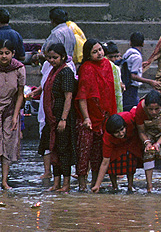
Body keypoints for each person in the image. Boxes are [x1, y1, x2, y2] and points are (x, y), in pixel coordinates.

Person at [75, 39, 117, 191]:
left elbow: (111, 91)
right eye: (95, 51)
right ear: (88, 54)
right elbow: (82, 96)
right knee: (84, 151)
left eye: (100, 49)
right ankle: (81, 184)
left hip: (104, 116)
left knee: (99, 153)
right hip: (88, 118)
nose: (99, 53)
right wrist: (86, 117)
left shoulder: (107, 65)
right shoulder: (86, 68)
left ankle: (95, 184)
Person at [39, 44, 77, 192]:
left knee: (64, 150)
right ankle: (56, 183)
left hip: (62, 118)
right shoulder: (52, 71)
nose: (52, 60)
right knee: (53, 148)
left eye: (55, 57)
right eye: (49, 57)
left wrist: (63, 119)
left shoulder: (66, 72)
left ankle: (66, 184)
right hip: (52, 118)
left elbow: (68, 97)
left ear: (62, 57)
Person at [135, 90, 161, 192]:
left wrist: (158, 143)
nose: (153, 112)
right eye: (150, 109)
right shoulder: (140, 109)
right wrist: (147, 143)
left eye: (156, 109)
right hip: (148, 130)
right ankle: (149, 186)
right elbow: (141, 131)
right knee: (148, 153)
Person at [91, 112, 143, 193]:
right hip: (115, 146)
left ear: (125, 126)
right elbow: (105, 162)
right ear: (112, 133)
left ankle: (130, 185)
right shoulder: (107, 138)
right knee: (112, 163)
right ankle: (114, 186)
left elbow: (138, 111)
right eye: (117, 132)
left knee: (131, 160)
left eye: (122, 129)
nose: (121, 133)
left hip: (130, 140)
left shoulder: (129, 118)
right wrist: (97, 185)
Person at [0, 39, 25, 189]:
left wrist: (16, 116)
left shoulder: (18, 68)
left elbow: (20, 94)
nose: (3, 56)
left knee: (8, 145)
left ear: (13, 54)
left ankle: (4, 180)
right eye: (1, 53)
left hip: (10, 110)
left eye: (7, 53)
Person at [121, 32, 161, 111]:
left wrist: (140, 66)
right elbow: (133, 76)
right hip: (131, 88)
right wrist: (150, 81)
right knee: (131, 109)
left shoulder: (127, 53)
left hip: (126, 85)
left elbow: (129, 67)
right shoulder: (137, 57)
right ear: (143, 43)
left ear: (130, 43)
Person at [103, 41, 124, 113]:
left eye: (116, 56)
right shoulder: (102, 68)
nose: (113, 59)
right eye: (111, 57)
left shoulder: (116, 69)